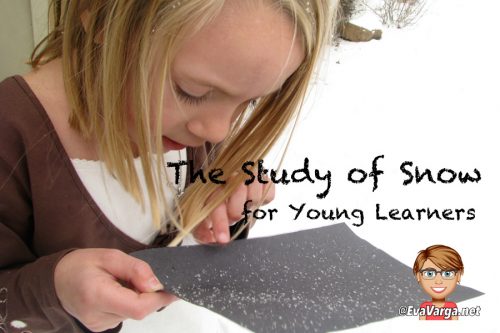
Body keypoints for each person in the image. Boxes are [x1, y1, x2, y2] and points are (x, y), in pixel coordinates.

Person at [0, 0, 336, 332]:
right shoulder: (11, 131)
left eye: (250, 102)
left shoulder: (196, 122)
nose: (220, 130)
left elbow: (195, 247)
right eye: (192, 91)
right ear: (102, 14)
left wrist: (223, 215)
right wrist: (53, 291)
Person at [413, 244, 464, 320]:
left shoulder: (452, 307)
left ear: (458, 276)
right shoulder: (424, 307)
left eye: (447, 273)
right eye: (429, 274)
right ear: (418, 276)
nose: (438, 281)